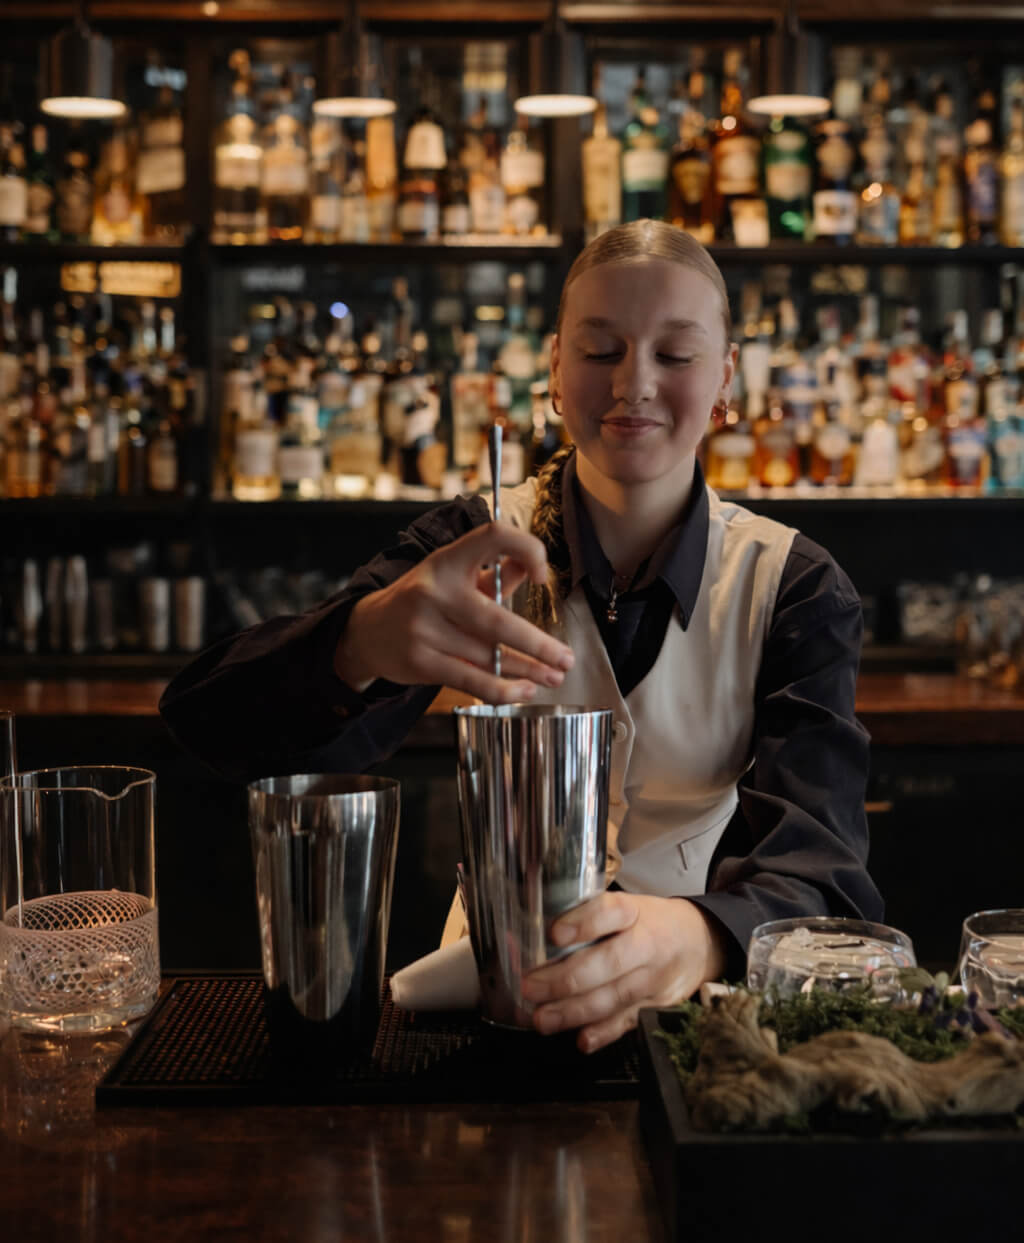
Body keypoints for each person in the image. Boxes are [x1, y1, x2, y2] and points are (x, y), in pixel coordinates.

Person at [161, 219, 883, 1053]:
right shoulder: (472, 544)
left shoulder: (792, 585)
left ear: (725, 376)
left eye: (675, 355)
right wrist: (360, 643)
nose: (634, 383)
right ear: (554, 370)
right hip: (485, 1015)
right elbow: (209, 724)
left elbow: (829, 881)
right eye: (600, 350)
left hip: (694, 1029)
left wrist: (705, 936)